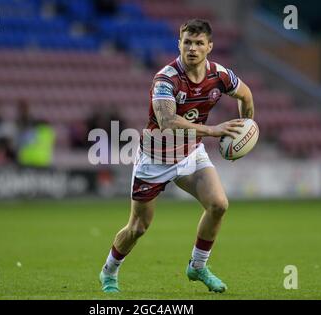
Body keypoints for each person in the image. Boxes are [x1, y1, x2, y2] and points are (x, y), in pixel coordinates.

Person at [99, 19, 255, 293]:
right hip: (155, 160)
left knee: (219, 204)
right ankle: (109, 271)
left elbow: (246, 95)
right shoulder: (166, 78)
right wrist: (213, 130)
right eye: (187, 42)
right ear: (179, 44)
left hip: (190, 155)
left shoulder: (221, 75)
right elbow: (167, 121)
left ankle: (197, 266)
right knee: (138, 228)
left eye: (198, 43)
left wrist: (245, 130)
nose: (192, 48)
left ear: (209, 46)